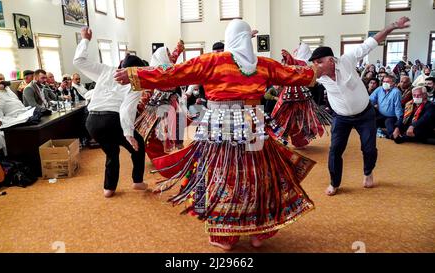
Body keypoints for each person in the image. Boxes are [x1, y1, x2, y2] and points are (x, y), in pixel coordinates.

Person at [115, 19, 319, 251]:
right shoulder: (263, 64)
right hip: (254, 124)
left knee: (224, 175)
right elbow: (295, 75)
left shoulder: (213, 61)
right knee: (258, 175)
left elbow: (172, 74)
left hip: (222, 125)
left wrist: (136, 75)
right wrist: (315, 70)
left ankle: (225, 237)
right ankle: (259, 233)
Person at [309, 16, 411, 196]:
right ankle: (334, 183)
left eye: (318, 62)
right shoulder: (318, 75)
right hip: (341, 117)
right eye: (314, 63)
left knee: (369, 148)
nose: (315, 66)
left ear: (331, 60)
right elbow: (295, 71)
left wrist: (393, 26)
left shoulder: (347, 59)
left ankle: (368, 172)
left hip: (365, 114)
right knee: (335, 151)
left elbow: (372, 42)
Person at [73, 27, 147, 198]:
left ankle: (109, 188)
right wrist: (128, 134)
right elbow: (126, 109)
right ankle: (137, 181)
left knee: (111, 152)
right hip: (113, 119)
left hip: (92, 122)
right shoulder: (135, 82)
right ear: (136, 72)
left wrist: (85, 39)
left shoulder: (106, 70)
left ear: (121, 63)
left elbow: (79, 61)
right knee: (139, 145)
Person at [369, 75, 403, 139]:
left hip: (391, 116)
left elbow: (398, 107)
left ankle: (386, 133)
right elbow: (371, 100)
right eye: (383, 81)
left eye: (387, 82)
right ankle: (379, 131)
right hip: (380, 114)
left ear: (393, 83)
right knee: (369, 123)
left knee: (391, 130)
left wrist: (399, 121)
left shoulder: (396, 92)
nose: (384, 83)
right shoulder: (379, 89)